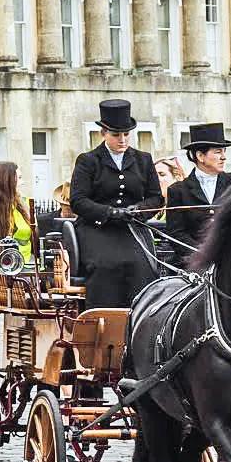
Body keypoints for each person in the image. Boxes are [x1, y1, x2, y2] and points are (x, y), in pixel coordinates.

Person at [69, 99, 163, 310]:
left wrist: (138, 211)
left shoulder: (143, 160)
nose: (122, 140)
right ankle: (103, 322)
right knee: (105, 266)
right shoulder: (88, 161)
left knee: (143, 266)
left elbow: (156, 197)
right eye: (116, 135)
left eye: (126, 134)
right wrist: (109, 212)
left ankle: (140, 321)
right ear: (103, 133)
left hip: (132, 228)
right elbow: (78, 200)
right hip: (97, 228)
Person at [165, 122, 231, 261]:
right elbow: (176, 233)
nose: (223, 157)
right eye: (218, 152)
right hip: (194, 262)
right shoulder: (178, 191)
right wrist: (201, 253)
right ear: (200, 156)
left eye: (224, 152)